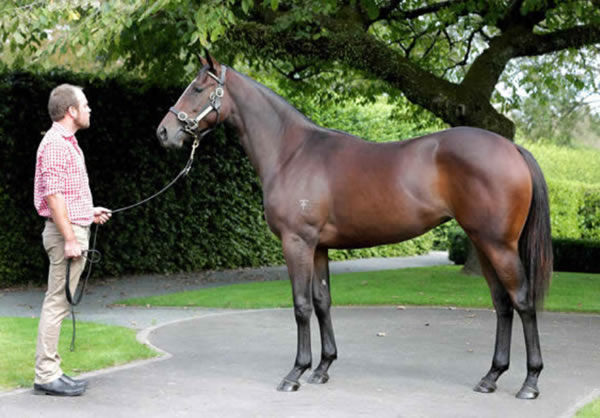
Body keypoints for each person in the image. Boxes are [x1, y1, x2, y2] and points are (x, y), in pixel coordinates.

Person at [33, 84, 111, 396]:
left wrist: (87, 212)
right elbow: (52, 196)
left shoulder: (67, 142)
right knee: (56, 303)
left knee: (60, 304)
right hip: (65, 234)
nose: (90, 109)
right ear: (71, 111)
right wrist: (69, 237)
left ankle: (53, 370)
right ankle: (46, 374)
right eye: (86, 105)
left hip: (73, 226)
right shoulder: (55, 144)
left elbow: (65, 195)